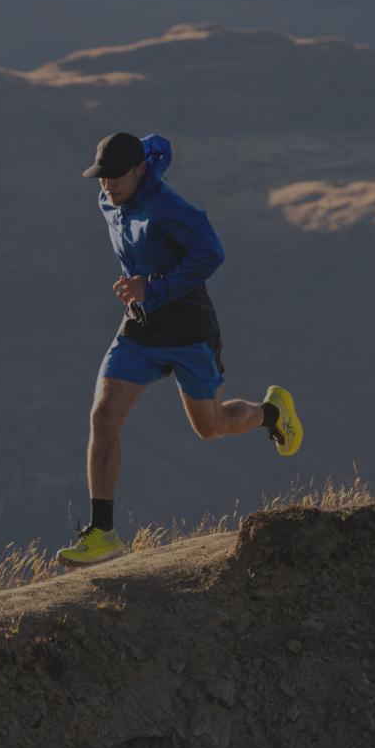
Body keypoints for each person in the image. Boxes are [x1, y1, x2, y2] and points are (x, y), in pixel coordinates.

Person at [56, 132, 303, 567]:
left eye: (116, 177)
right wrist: (142, 295)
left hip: (189, 331)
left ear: (139, 169)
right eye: (101, 178)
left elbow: (212, 253)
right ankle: (103, 533)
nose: (107, 186)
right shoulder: (108, 200)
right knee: (103, 415)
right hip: (140, 327)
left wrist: (152, 287)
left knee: (210, 427)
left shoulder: (170, 208)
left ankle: (272, 413)